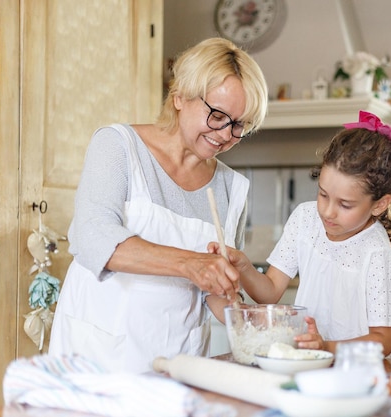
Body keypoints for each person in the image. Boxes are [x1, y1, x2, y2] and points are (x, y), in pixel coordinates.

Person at [49, 37, 268, 373]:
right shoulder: (117, 146)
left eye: (240, 125)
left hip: (178, 357)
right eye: (218, 116)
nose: (226, 134)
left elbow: (213, 291)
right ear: (179, 96)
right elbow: (92, 238)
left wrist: (254, 324)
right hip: (98, 353)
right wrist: (191, 264)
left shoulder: (232, 188)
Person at [216, 111, 391, 359]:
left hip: (365, 372)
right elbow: (268, 292)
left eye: (345, 205)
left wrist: (326, 347)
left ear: (379, 204)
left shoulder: (376, 254)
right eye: (323, 194)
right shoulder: (304, 219)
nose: (328, 211)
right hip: (313, 363)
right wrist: (244, 266)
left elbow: (383, 341)